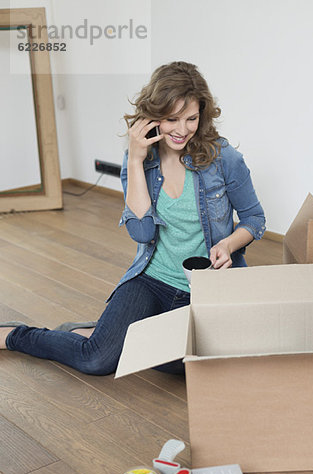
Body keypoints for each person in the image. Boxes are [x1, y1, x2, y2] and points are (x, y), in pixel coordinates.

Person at [0, 61, 266, 375]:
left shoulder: (224, 159)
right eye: (171, 119)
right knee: (95, 360)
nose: (182, 130)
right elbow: (141, 233)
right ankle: (15, 335)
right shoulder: (141, 160)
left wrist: (228, 243)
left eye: (191, 118)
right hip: (152, 280)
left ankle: (110, 332)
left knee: (196, 366)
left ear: (202, 114)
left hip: (204, 287)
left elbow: (254, 218)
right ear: (152, 116)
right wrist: (137, 159)